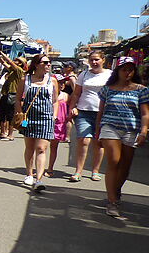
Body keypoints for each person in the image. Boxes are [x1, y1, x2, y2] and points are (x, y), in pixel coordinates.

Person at [95, 57, 149, 218]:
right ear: (117, 71)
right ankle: (112, 201)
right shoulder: (107, 89)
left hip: (131, 129)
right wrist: (98, 132)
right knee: (114, 161)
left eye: (131, 69)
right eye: (124, 69)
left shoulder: (141, 90)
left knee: (125, 165)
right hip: (110, 127)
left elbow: (145, 113)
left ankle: (115, 190)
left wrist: (144, 131)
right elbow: (101, 112)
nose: (128, 72)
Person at [15, 54, 59, 191]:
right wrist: (20, 115)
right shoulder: (25, 79)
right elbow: (17, 99)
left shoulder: (52, 81)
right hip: (28, 119)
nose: (48, 65)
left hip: (46, 118)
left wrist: (54, 116)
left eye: (49, 62)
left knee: (41, 148)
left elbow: (55, 100)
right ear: (36, 64)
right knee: (29, 147)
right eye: (45, 62)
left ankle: (39, 179)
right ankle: (29, 174)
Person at [67, 51, 111, 182]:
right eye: (92, 60)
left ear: (103, 60)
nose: (94, 62)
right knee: (83, 140)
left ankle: (95, 171)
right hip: (84, 111)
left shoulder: (110, 75)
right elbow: (76, 94)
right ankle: (78, 171)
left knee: (98, 142)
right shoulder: (84, 74)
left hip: (103, 113)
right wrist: (72, 108)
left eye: (97, 59)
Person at [0, 54, 28, 140]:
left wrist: (3, 54)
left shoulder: (20, 71)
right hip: (6, 94)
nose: (15, 61)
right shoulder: (12, 71)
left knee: (11, 116)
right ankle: (3, 132)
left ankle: (10, 134)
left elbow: (9, 62)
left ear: (21, 64)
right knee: (2, 114)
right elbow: (4, 63)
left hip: (13, 95)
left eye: (17, 61)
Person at [47, 76, 73, 176]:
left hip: (58, 125)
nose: (62, 85)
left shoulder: (65, 96)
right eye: (59, 82)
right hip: (47, 122)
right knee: (41, 147)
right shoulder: (47, 94)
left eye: (63, 83)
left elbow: (71, 106)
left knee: (54, 147)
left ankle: (50, 168)